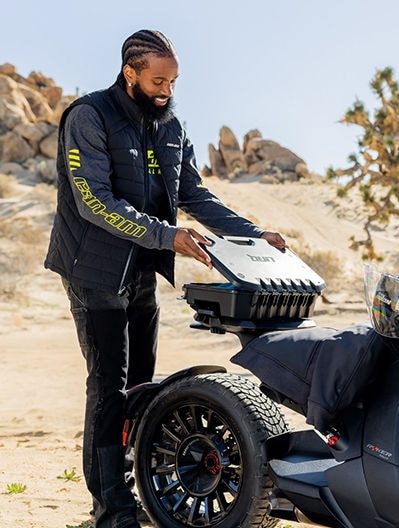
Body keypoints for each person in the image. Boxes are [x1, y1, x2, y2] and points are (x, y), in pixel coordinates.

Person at [44, 29, 287, 528]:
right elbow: (94, 202)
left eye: (173, 82)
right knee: (109, 387)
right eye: (158, 80)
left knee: (139, 387)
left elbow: (194, 196)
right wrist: (166, 236)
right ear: (129, 72)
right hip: (93, 270)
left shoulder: (171, 124)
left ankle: (139, 494)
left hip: (141, 273)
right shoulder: (88, 116)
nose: (166, 91)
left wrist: (254, 234)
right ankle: (111, 509)